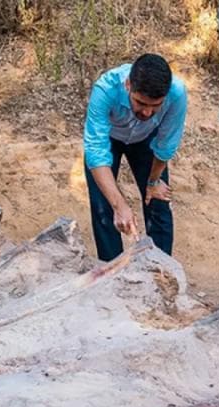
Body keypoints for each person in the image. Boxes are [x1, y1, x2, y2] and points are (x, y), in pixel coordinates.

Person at [83, 53, 187, 260]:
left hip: (147, 139)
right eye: (140, 103)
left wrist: (153, 181)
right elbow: (96, 152)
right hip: (110, 138)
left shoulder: (177, 94)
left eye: (155, 106)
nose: (147, 112)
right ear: (128, 85)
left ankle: (162, 270)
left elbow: (165, 145)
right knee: (104, 207)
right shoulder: (105, 90)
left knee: (158, 201)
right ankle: (112, 271)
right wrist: (119, 206)